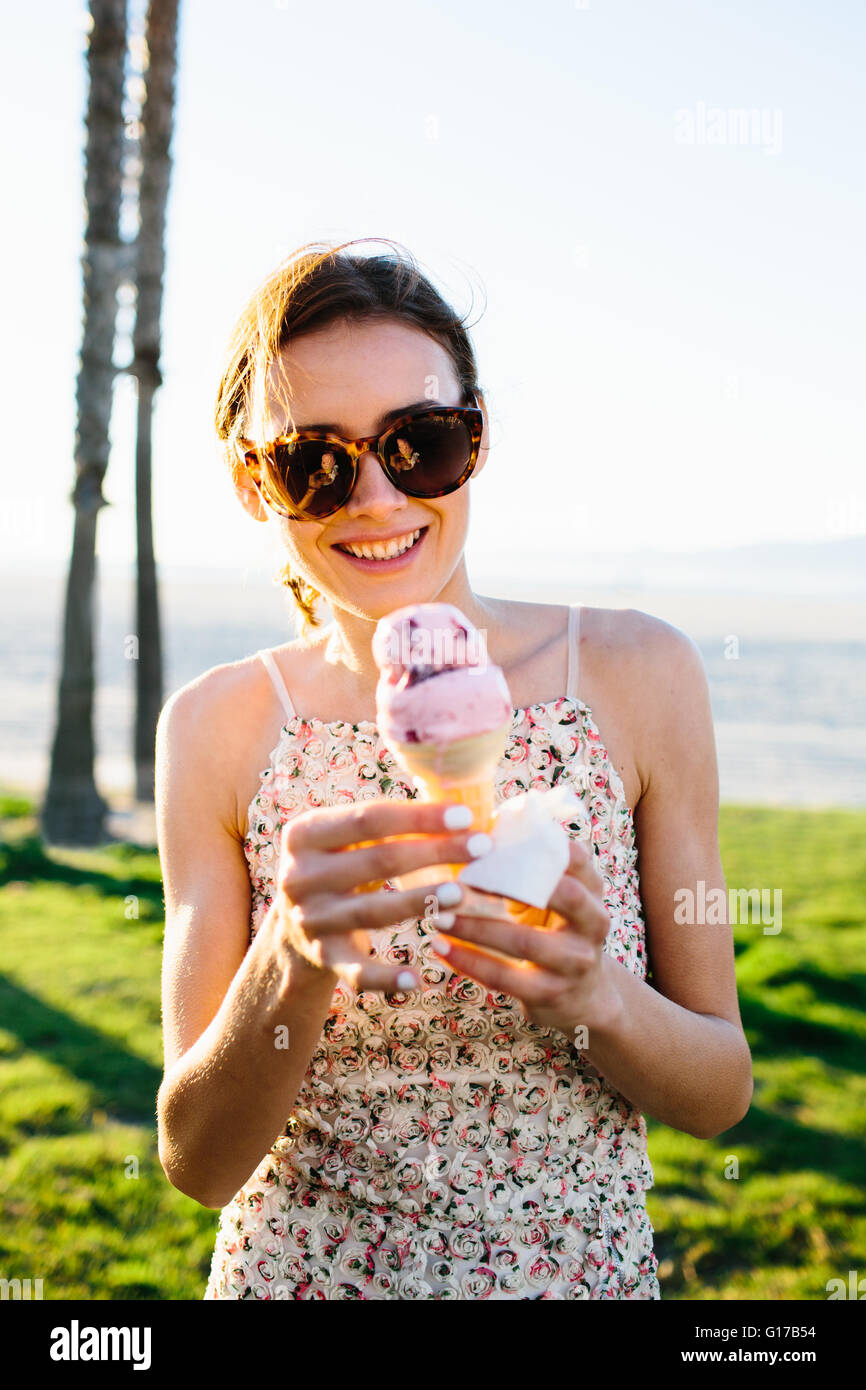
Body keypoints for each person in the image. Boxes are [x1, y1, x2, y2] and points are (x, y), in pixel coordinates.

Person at [155, 238, 753, 1300]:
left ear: (475, 437)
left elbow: (716, 1091)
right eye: (313, 462)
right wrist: (291, 957)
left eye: (419, 442)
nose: (377, 499)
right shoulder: (216, 726)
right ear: (253, 484)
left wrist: (595, 994)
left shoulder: (633, 673)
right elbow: (199, 1160)